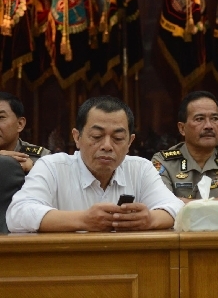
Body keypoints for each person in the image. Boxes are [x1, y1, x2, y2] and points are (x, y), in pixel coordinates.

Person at [6, 95, 183, 232]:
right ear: (77, 137)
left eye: (118, 138)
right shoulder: (52, 167)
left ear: (130, 142)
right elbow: (18, 214)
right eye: (97, 137)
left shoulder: (140, 169)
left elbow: (175, 208)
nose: (107, 146)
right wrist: (83, 220)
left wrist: (150, 219)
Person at [152, 91, 218, 217]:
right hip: (183, 234)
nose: (209, 126)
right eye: (199, 119)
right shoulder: (163, 162)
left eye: (214, 119)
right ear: (182, 128)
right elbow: (163, 206)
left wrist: (186, 204)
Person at [0, 92, 51, 233]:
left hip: (24, 232)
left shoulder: (40, 157)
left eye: (1, 118)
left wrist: (33, 170)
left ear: (20, 124)